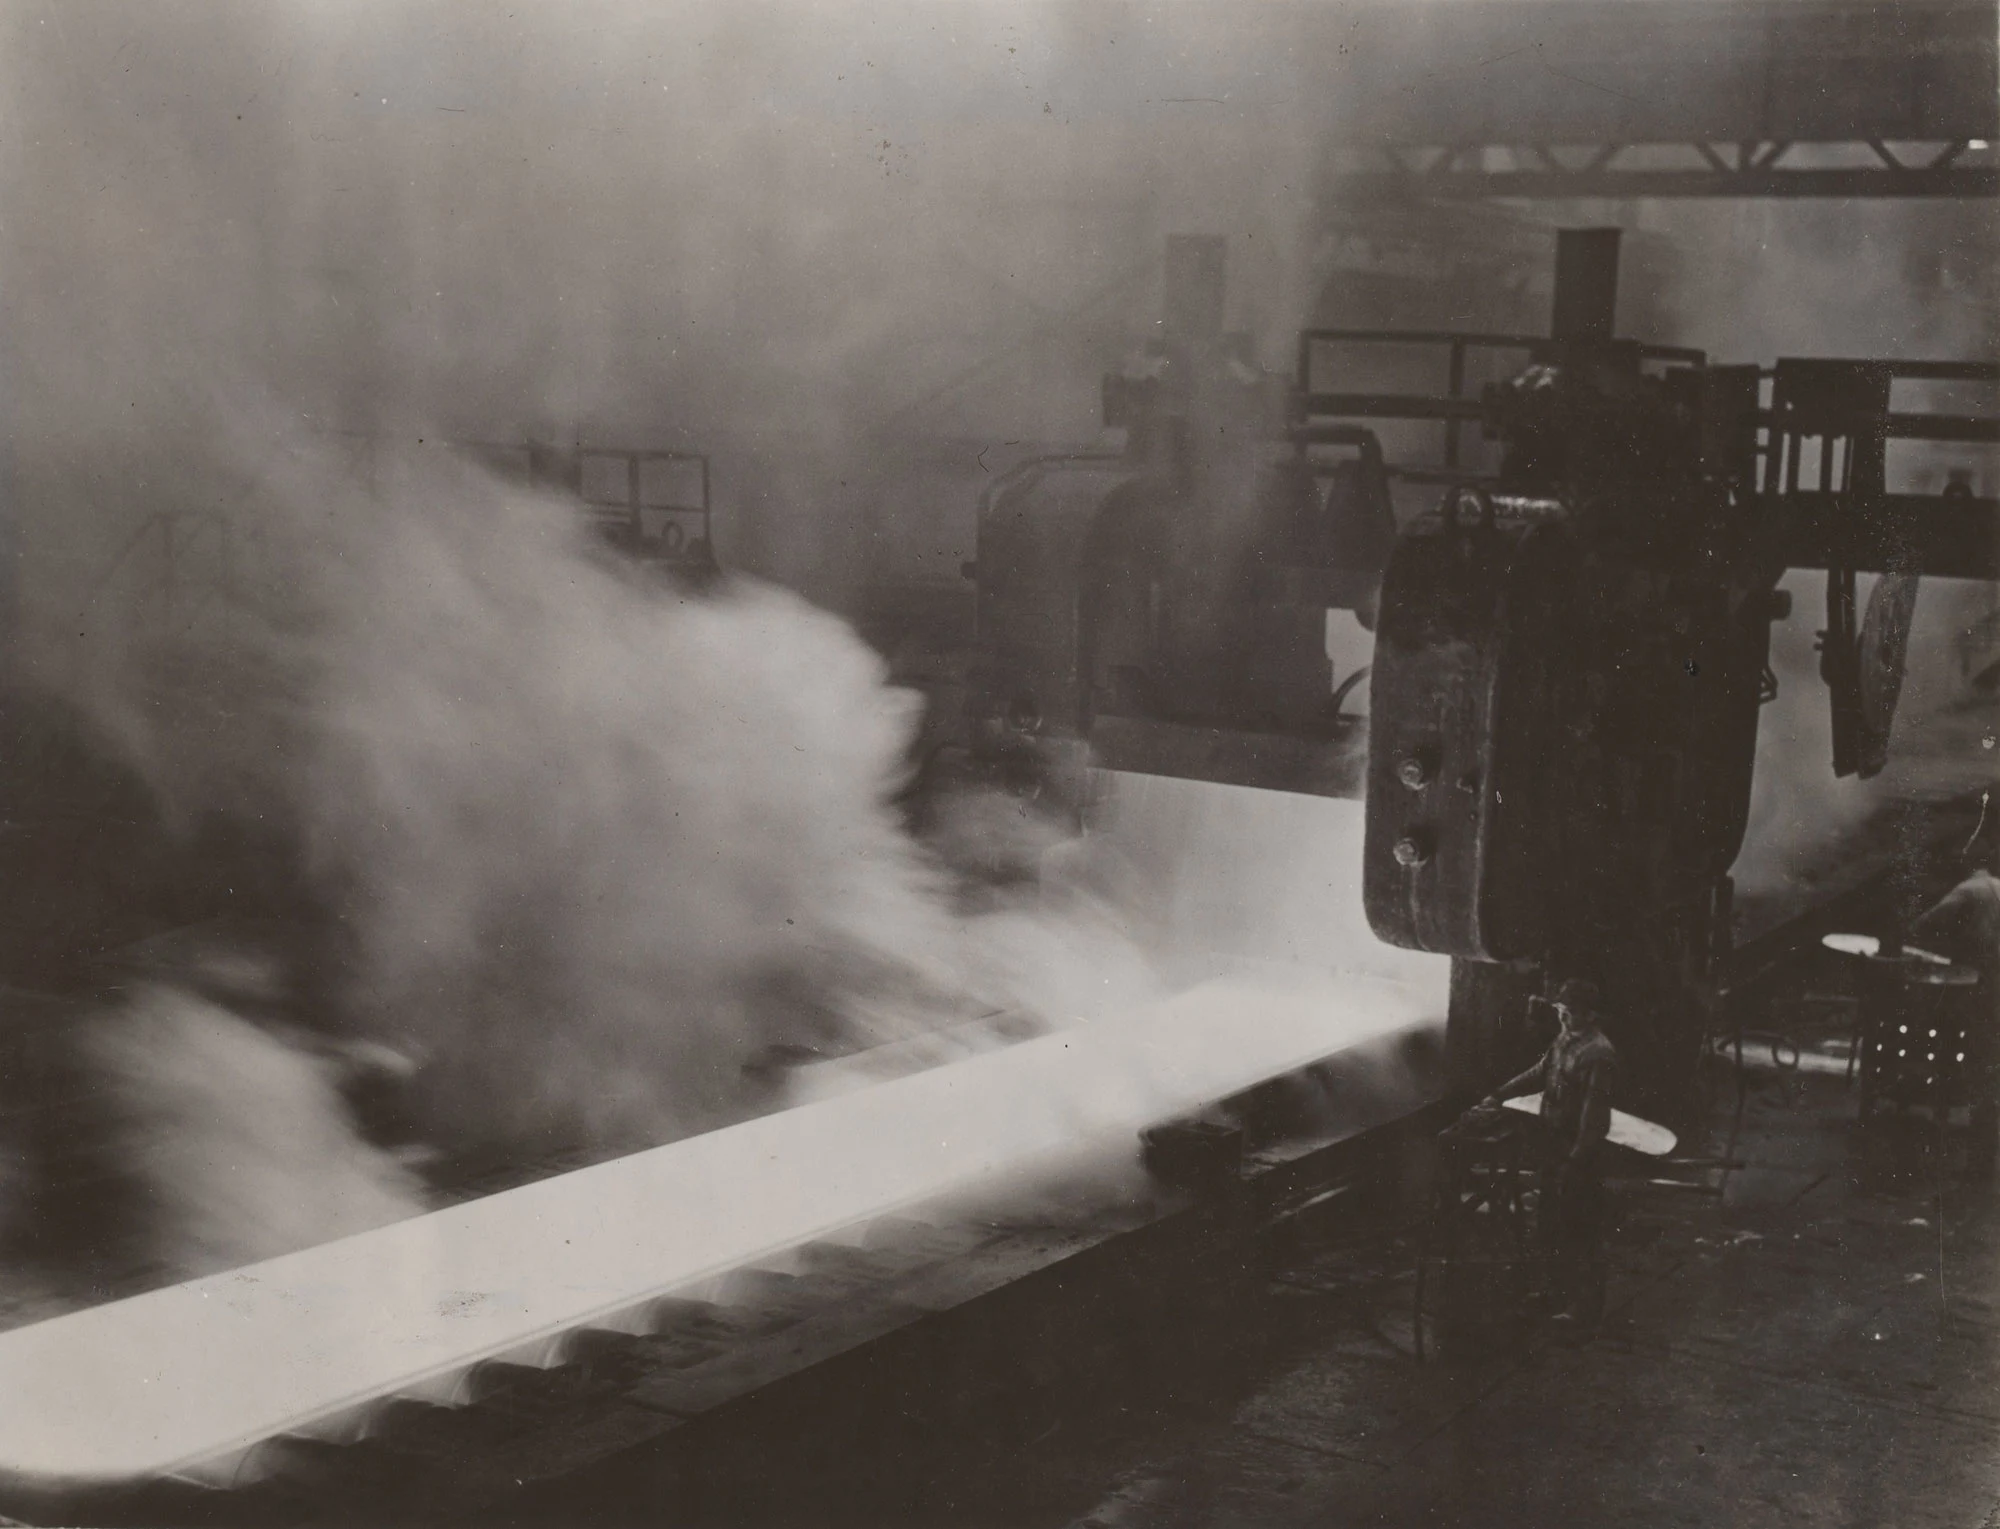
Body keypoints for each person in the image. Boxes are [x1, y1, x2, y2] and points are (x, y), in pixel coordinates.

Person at [1469, 977, 1620, 1321]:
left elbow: (1594, 1119)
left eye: (1572, 1014)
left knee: (1580, 1229)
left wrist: (1576, 1161)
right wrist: (1498, 1094)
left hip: (1578, 1155)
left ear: (1591, 1015)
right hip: (1554, 1147)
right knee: (1552, 1223)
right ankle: (1554, 1292)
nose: (1565, 1019)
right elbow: (1540, 1072)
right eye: (1561, 1012)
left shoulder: (1598, 1055)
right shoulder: (1566, 1040)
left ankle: (1584, 1309)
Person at [1909, 857, 2000, 1175]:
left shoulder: (1966, 891)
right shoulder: (1996, 888)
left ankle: (1962, 1127)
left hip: (1981, 985)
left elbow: (1925, 924)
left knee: (1973, 1054)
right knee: (1992, 1059)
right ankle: (1985, 1132)